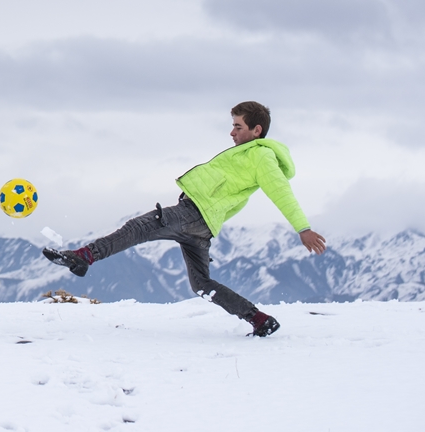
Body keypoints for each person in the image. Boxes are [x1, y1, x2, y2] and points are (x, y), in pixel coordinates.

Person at [43, 101, 326, 337]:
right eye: (232, 125)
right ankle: (260, 320)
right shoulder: (249, 153)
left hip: (194, 214)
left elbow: (281, 192)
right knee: (201, 284)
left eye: (238, 126)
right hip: (203, 223)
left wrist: (303, 228)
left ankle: (83, 257)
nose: (231, 132)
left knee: (140, 226)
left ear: (256, 130)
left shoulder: (262, 157)